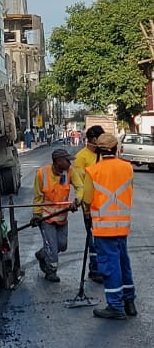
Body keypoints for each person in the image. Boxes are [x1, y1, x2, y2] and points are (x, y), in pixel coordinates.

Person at [81, 131, 137, 320]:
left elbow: (87, 198)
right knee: (123, 262)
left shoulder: (94, 171)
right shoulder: (127, 167)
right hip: (122, 225)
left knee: (110, 265)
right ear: (116, 149)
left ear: (98, 150)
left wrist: (85, 208)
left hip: (104, 227)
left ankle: (115, 306)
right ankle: (129, 301)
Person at [31, 146, 83, 282]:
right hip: (46, 217)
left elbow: (80, 186)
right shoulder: (41, 174)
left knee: (61, 245)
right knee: (53, 248)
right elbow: (37, 196)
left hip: (62, 216)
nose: (70, 163)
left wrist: (77, 200)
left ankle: (43, 254)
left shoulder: (69, 172)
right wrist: (37, 214)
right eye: (67, 160)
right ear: (58, 161)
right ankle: (51, 271)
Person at [73, 125, 105, 282]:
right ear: (93, 140)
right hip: (90, 205)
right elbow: (80, 183)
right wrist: (85, 206)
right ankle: (94, 269)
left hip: (105, 204)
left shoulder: (103, 155)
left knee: (103, 239)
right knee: (92, 239)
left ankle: (102, 267)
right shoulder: (81, 157)